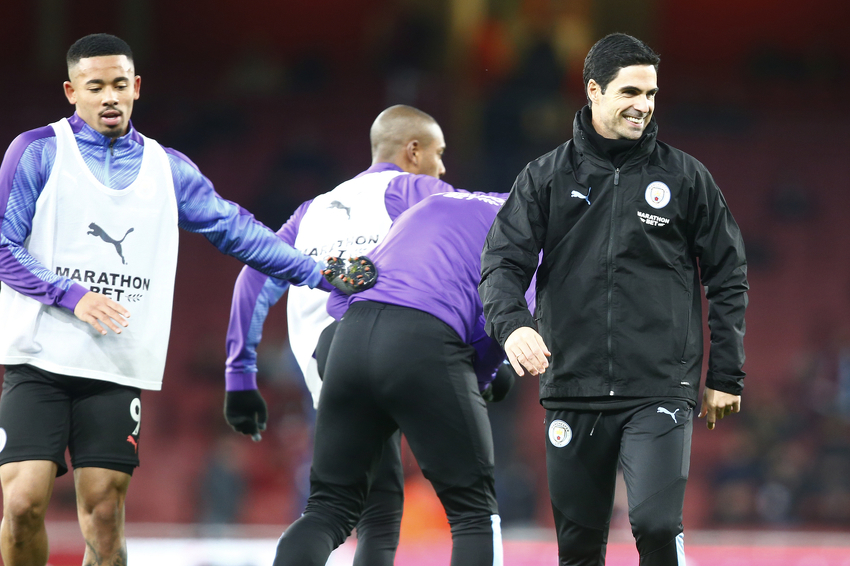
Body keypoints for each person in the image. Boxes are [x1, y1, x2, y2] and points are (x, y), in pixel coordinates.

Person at [0, 33, 325, 566]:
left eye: (120, 85)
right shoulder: (38, 151)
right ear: (70, 90)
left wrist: (315, 271)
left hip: (115, 363)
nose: (109, 96)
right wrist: (70, 295)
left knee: (104, 517)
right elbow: (3, 245)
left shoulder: (166, 168)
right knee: (22, 502)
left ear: (137, 88)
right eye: (96, 85)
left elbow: (233, 228)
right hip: (39, 357)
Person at [479, 33, 748, 565]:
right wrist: (513, 326)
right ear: (594, 91)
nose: (643, 106)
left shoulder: (686, 177)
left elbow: (728, 272)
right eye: (630, 92)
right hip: (572, 387)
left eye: (651, 94)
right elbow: (500, 266)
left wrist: (725, 375)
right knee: (578, 549)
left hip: (659, 387)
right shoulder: (544, 178)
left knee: (653, 523)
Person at [225, 104, 505, 565]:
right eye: (439, 154)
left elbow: (253, 280)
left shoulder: (312, 210)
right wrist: (492, 364)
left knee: (340, 508)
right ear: (413, 152)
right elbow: (470, 248)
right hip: (399, 344)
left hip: (328, 368)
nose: (443, 166)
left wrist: (240, 375)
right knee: (448, 511)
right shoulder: (421, 191)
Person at [273, 191, 534, 566]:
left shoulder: (433, 203)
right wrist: (482, 380)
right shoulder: (538, 237)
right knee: (473, 513)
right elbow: (507, 326)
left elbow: (343, 294)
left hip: (348, 338)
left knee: (327, 509)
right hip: (424, 345)